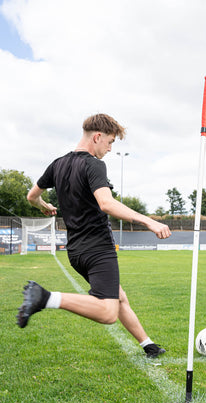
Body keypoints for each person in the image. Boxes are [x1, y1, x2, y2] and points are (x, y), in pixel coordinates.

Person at [17, 113, 172, 358]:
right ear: (97, 137)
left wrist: (43, 206)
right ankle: (47, 297)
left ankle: (148, 345)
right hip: (98, 248)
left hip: (76, 252)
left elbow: (31, 196)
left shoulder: (57, 164)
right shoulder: (93, 164)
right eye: (110, 142)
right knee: (108, 312)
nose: (110, 149)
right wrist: (148, 221)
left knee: (119, 297)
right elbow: (106, 204)